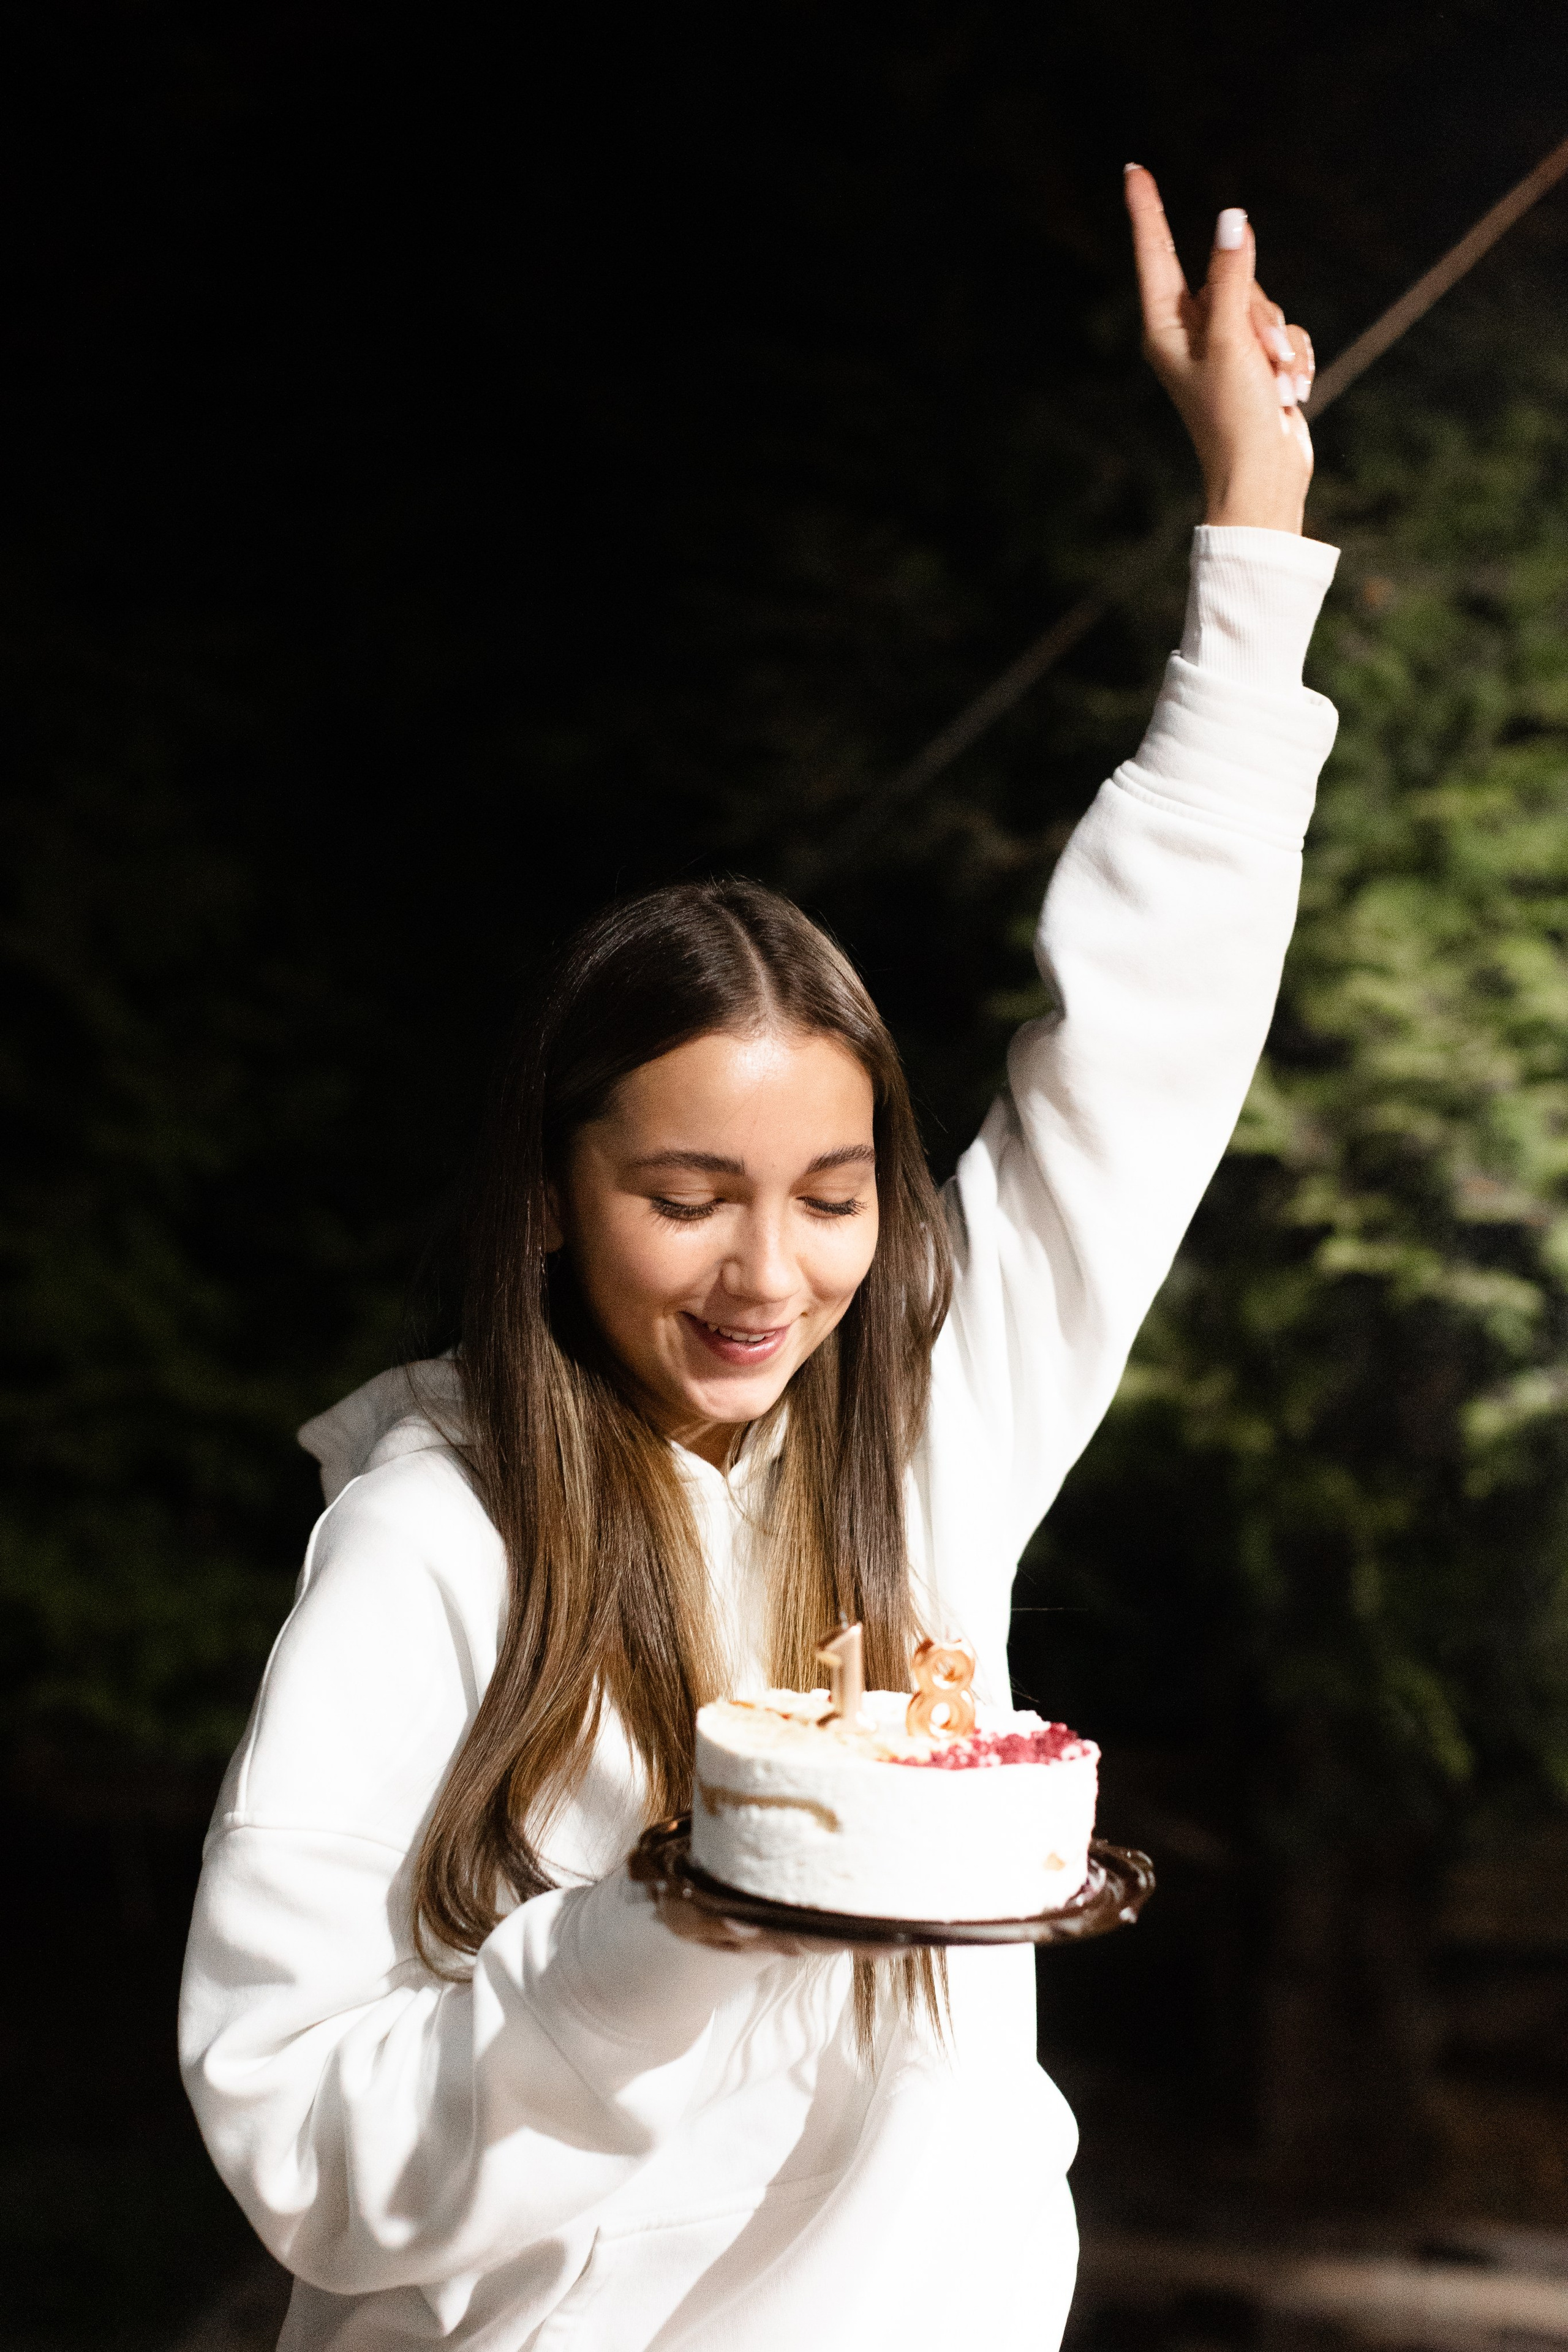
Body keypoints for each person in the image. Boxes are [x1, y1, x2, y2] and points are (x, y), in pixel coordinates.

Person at [179, 168, 1339, 2351]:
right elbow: (301, 2151)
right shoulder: (432, 1542)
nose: (765, 1278)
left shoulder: (938, 1427)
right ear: (546, 1194)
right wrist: (673, 1925)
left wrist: (1254, 540)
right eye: (683, 1193)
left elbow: (1145, 1051)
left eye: (829, 1195)